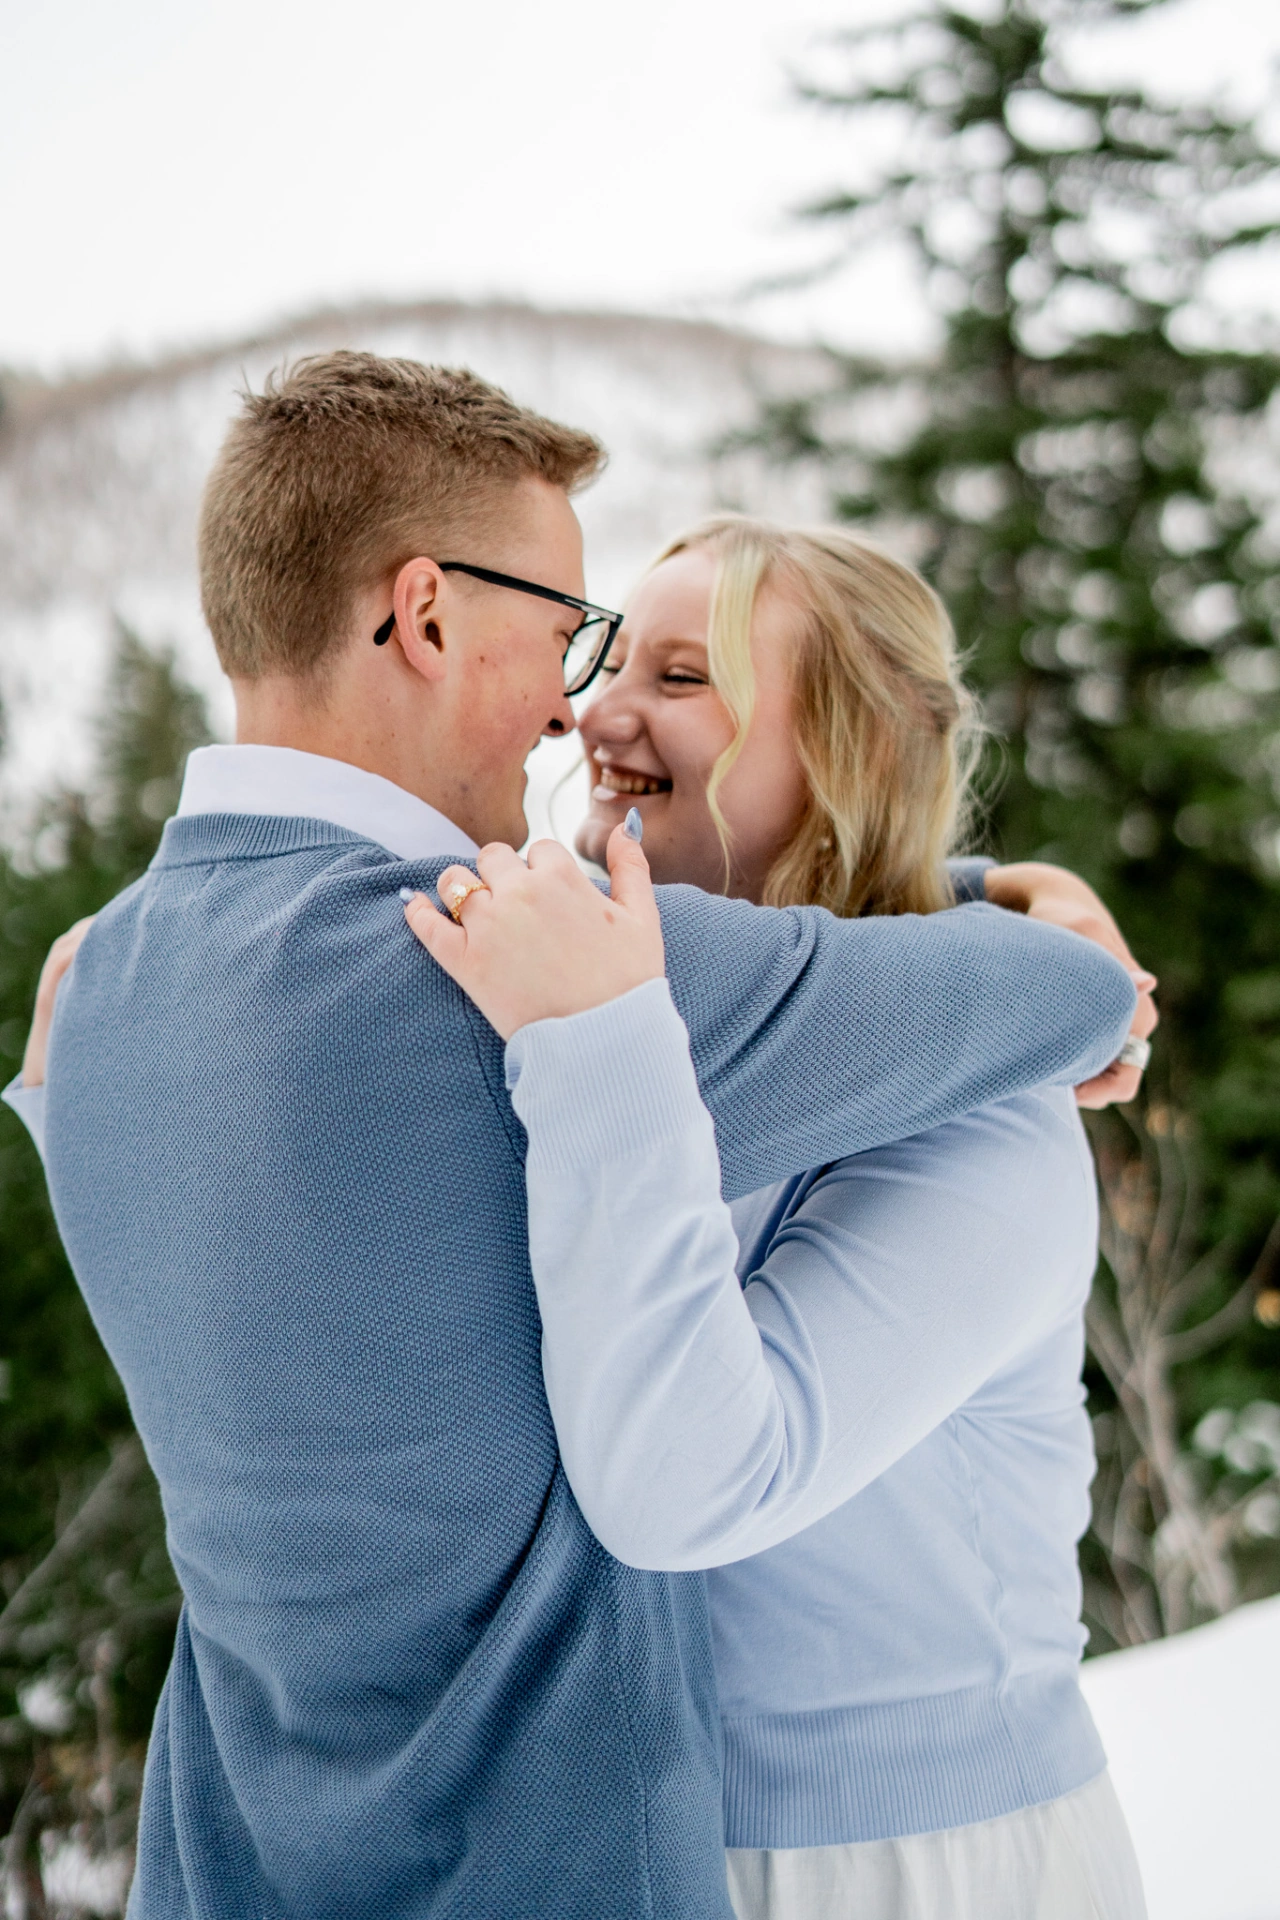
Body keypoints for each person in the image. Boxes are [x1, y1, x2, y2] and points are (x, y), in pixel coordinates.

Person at [6, 354, 1142, 1920]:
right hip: (564, 1867)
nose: (577, 706)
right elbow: (1054, 996)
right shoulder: (502, 982)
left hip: (271, 1859)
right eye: (573, 638)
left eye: (671, 676)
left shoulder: (111, 996)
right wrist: (1038, 927)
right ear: (420, 616)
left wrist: (970, 890)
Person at [398, 518, 1152, 1918]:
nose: (594, 706)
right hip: (631, 1844)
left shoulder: (982, 1122)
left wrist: (597, 1036)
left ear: (853, 752)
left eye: (684, 679)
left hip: (912, 1862)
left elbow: (700, 1482)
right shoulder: (631, 1027)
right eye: (615, 651)